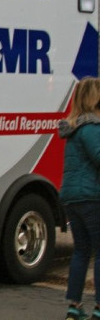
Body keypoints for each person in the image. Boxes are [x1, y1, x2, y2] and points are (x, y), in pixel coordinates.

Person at [58, 77, 100, 320]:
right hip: (92, 197)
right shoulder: (92, 128)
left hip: (72, 198)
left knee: (81, 252)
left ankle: (74, 306)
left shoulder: (72, 130)